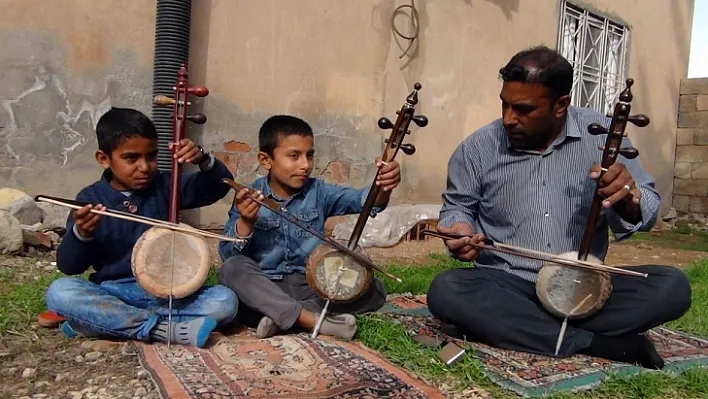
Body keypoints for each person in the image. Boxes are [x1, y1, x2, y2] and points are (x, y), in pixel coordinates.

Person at [426, 46, 692, 370]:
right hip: (507, 283)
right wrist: (460, 230)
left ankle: (517, 328)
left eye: (523, 109)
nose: (509, 118)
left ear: (560, 105)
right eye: (505, 105)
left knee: (672, 287)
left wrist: (628, 199)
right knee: (447, 290)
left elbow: (647, 210)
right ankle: (598, 343)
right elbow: (458, 208)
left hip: (585, 287)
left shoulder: (603, 137)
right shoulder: (478, 148)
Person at [44, 107, 239, 348]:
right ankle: (162, 329)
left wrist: (203, 159)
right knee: (61, 291)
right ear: (104, 159)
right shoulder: (90, 198)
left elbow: (218, 186)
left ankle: (103, 323)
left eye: (151, 156)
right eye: (131, 158)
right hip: (114, 292)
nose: (145, 167)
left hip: (168, 293)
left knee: (225, 300)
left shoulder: (166, 185)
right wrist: (82, 234)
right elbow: (69, 266)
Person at [217, 115, 400, 340]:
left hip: (310, 288)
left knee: (375, 290)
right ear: (266, 160)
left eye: (309, 155)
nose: (305, 165)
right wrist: (246, 222)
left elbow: (365, 201)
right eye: (294, 156)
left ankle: (285, 318)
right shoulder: (249, 196)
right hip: (267, 286)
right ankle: (314, 320)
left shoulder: (319, 192)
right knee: (232, 269)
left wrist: (384, 187)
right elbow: (227, 254)